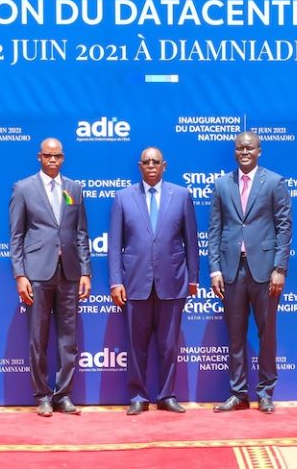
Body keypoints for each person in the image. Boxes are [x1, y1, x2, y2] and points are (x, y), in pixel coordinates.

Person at [108, 147, 199, 415]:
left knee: (169, 346)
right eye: (146, 162)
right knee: (136, 346)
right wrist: (116, 281)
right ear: (139, 166)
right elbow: (114, 245)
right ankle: (138, 396)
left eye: (155, 162)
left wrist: (193, 278)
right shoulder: (123, 197)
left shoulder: (181, 195)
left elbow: (191, 242)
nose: (151, 166)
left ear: (164, 166)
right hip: (135, 284)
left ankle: (167, 395)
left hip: (173, 283)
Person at [208, 131, 292, 414]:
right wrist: (215, 270)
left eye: (249, 148)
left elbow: (284, 228)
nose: (244, 152)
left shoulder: (275, 182)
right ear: (235, 152)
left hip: (266, 271)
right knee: (235, 335)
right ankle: (238, 393)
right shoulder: (222, 184)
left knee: (267, 334)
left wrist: (279, 268)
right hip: (231, 270)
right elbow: (214, 231)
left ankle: (266, 392)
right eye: (239, 148)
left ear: (259, 151)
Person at [9, 137, 91, 417]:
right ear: (39, 157)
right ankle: (43, 395)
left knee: (69, 339)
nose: (52, 160)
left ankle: (64, 394)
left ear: (63, 158)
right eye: (47, 156)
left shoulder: (74, 189)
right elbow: (16, 236)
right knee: (38, 339)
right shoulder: (23, 189)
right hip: (37, 274)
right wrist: (20, 275)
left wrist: (86, 271)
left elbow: (81, 233)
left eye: (57, 156)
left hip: (69, 273)